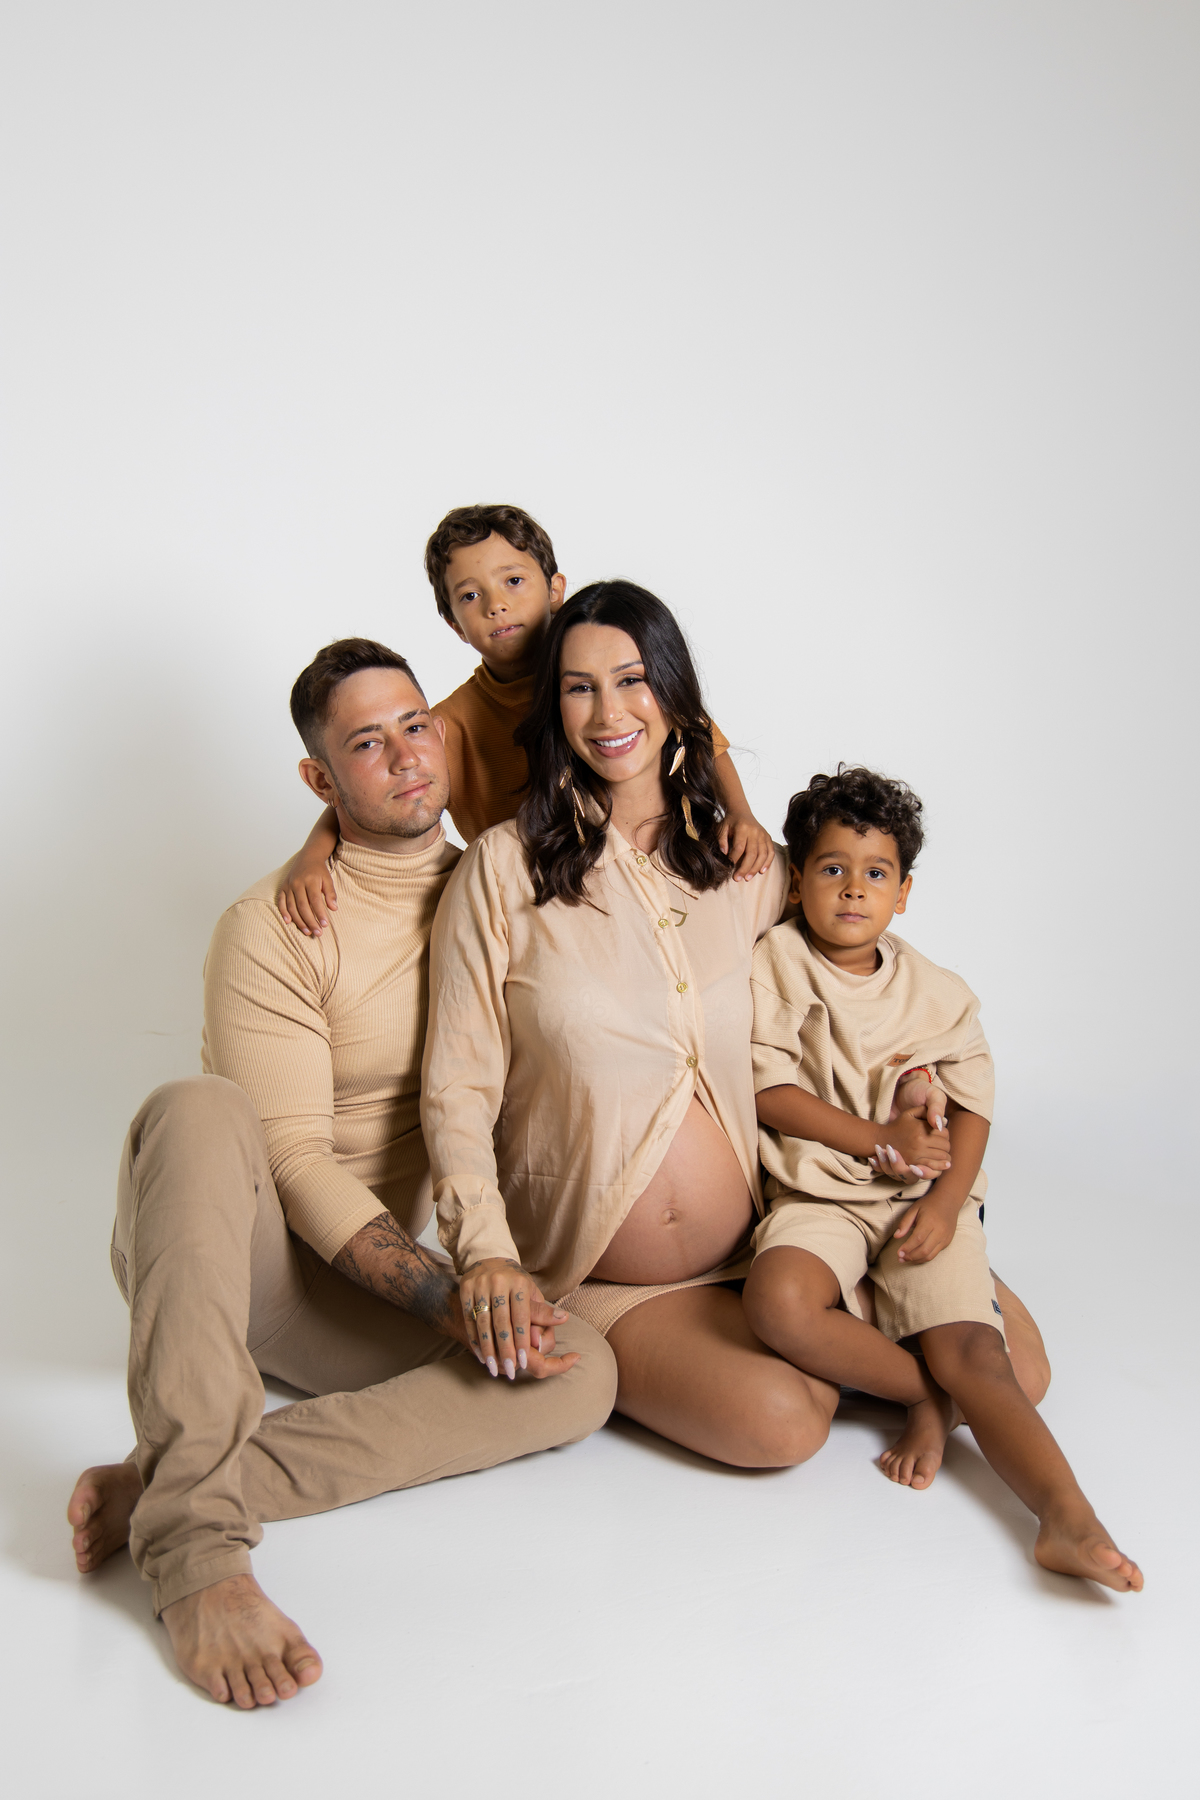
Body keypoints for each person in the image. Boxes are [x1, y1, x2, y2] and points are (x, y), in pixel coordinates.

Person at [66, 638, 618, 1709]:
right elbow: (293, 1160)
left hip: (364, 1286)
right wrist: (443, 1298)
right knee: (197, 1108)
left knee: (581, 1373)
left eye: (416, 726)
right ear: (320, 781)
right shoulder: (274, 924)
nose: (406, 756)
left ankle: (174, 1478)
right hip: (243, 1260)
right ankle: (197, 1554)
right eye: (367, 745)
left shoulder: (502, 888)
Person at [420, 582, 1049, 1464]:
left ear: (675, 695)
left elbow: (858, 973)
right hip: (611, 1271)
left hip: (778, 1233)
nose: (609, 713)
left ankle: (902, 1371)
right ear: (552, 707)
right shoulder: (501, 869)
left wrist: (915, 1079)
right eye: (578, 687)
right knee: (785, 1422)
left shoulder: (744, 866)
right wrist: (484, 1251)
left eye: (633, 680)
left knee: (1027, 1367)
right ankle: (931, 1391)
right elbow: (456, 1085)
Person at [743, 766, 1142, 1590]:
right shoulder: (777, 961)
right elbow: (767, 1090)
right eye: (832, 868)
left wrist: (949, 1203)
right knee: (778, 1301)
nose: (854, 889)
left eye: (876, 873)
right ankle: (927, 1396)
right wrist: (875, 1136)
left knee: (982, 1354)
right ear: (798, 879)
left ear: (904, 894)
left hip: (921, 1197)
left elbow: (973, 1104)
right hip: (823, 1193)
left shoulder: (936, 991)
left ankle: (1067, 1517)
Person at [276, 504, 774, 936]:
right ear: (454, 625)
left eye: (513, 581)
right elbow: (381, 783)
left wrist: (741, 812)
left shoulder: (607, 674)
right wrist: (314, 853)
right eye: (470, 597)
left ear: (555, 590)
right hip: (528, 904)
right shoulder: (448, 724)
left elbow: (700, 736)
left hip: (646, 877)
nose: (497, 605)